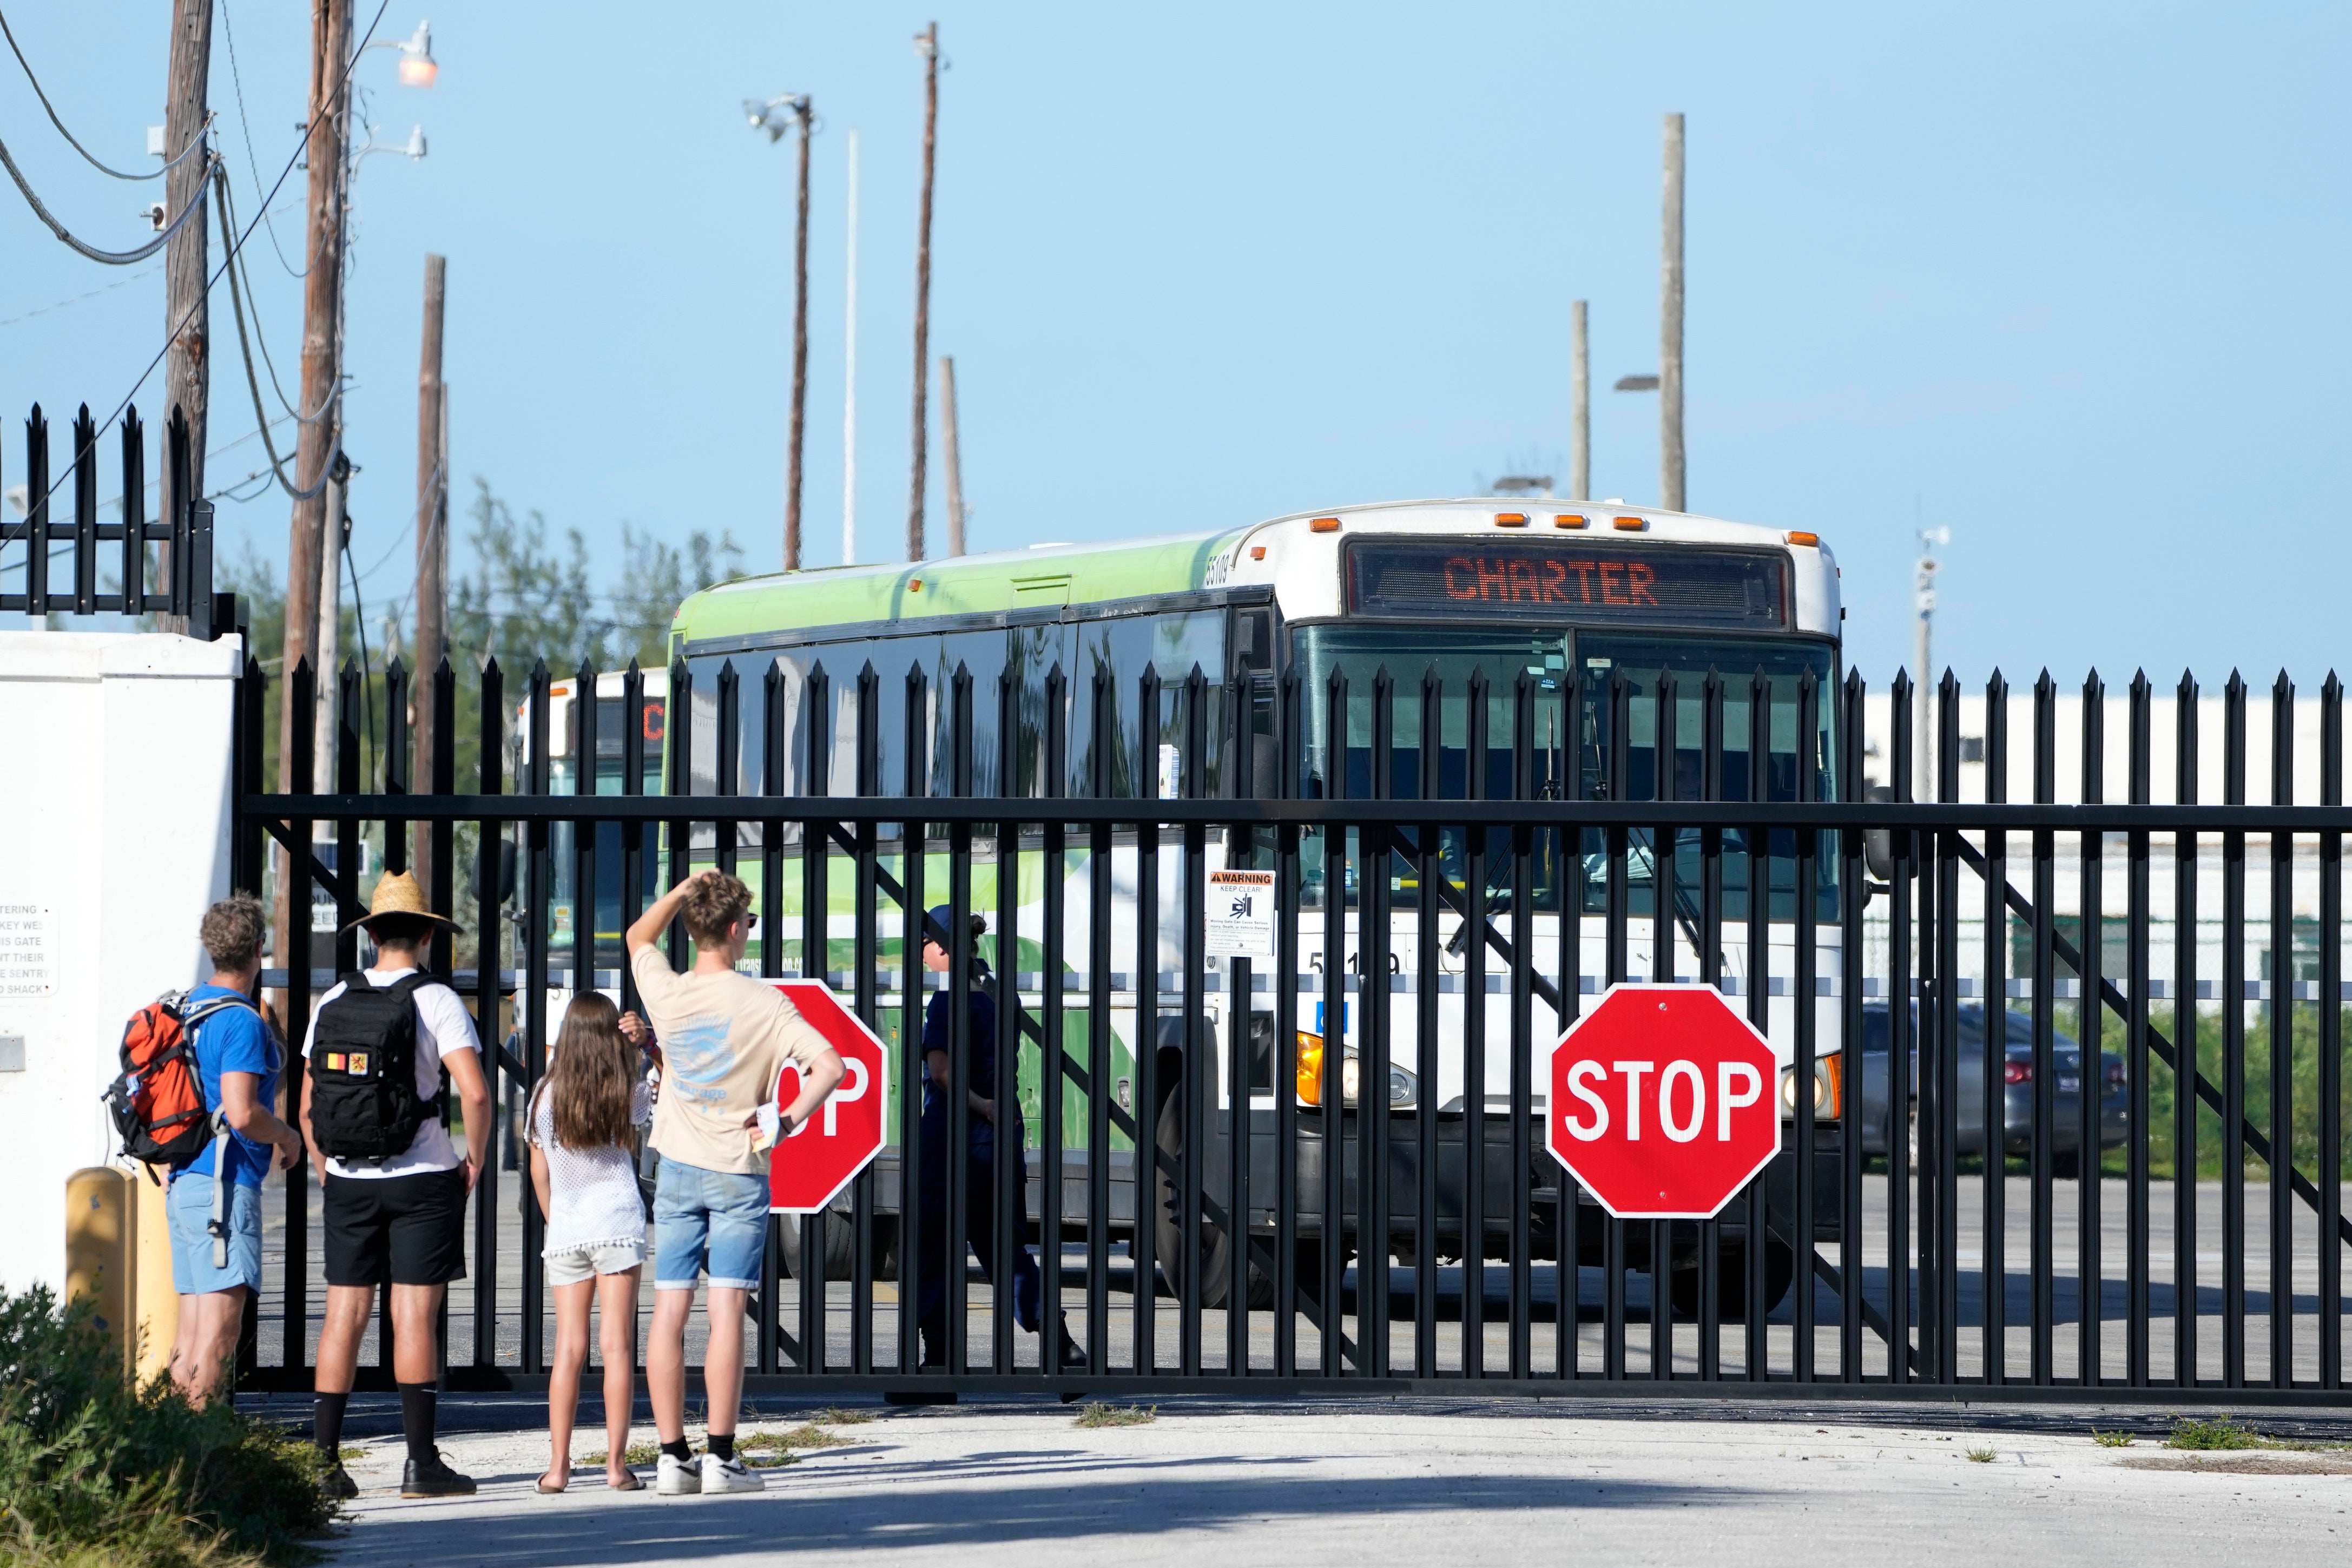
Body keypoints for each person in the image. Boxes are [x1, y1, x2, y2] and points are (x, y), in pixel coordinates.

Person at [625, 869, 845, 1497]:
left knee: (669, 1311)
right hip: (739, 1167)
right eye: (747, 922)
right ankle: (721, 1457)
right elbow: (828, 1066)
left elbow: (639, 935)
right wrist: (786, 1120)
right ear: (732, 929)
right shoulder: (766, 1004)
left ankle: (672, 1457)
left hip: (677, 1167)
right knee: (726, 1312)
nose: (749, 931)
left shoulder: (668, 991)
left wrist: (683, 890)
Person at [299, 872, 491, 1501]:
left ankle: (323, 1464)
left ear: (373, 936)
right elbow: (476, 1094)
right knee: (413, 1314)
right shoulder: (437, 1000)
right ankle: (420, 1466)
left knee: (344, 1314)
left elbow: (306, 1106)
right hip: (424, 1177)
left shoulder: (333, 1000)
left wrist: (326, 1166)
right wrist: (474, 1159)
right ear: (428, 936)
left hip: (348, 1176)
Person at [912, 907, 1082, 1371]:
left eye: (924, 944)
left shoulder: (946, 999)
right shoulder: (999, 994)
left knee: (936, 1251)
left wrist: (979, 1105)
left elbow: (941, 1072)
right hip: (1000, 1142)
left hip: (952, 1141)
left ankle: (938, 1361)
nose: (921, 954)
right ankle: (1060, 1346)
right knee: (1006, 1252)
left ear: (942, 946)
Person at [166, 895, 304, 1406]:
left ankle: (173, 1442)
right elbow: (242, 1112)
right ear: (259, 948)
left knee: (190, 1333)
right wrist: (287, 1135)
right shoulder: (241, 1021)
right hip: (223, 1188)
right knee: (219, 1336)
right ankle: (202, 1446)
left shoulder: (188, 1008)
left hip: (185, 1183)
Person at [528, 992, 654, 1494]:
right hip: (617, 1222)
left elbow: (540, 1173)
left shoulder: (543, 1097)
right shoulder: (625, 1090)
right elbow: (674, 1086)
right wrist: (646, 1045)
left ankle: (557, 1468)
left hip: (568, 1229)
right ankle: (616, 1467)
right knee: (616, 1345)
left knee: (569, 1348)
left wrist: (558, 1220)